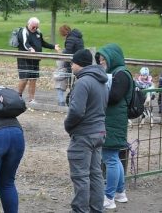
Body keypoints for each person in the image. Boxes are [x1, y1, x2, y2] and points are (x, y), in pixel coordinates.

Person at [64, 49, 109, 212]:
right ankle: (96, 209)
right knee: (95, 174)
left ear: (79, 64)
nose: (71, 66)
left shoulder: (83, 82)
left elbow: (76, 111)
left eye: (72, 63)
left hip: (84, 134)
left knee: (81, 177)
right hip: (99, 132)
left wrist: (67, 125)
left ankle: (80, 210)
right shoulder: (101, 80)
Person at [95, 43, 131, 210]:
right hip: (114, 120)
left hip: (113, 121)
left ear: (112, 58)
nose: (102, 62)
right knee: (114, 157)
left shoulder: (121, 74)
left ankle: (109, 197)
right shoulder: (118, 73)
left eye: (104, 59)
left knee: (110, 158)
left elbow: (115, 96)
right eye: (100, 59)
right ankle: (120, 192)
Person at [17, 17, 60, 103]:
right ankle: (18, 97)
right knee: (24, 78)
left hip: (35, 58)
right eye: (34, 27)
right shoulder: (24, 31)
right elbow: (25, 43)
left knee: (33, 79)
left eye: (37, 27)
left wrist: (53, 46)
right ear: (29, 24)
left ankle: (31, 99)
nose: (35, 28)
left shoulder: (38, 32)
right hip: (24, 59)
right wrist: (30, 49)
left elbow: (43, 43)